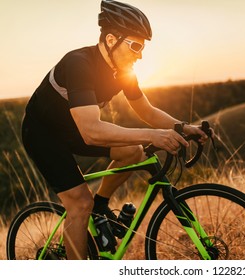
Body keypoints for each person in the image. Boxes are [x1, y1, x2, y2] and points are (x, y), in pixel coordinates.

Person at [21, 0, 209, 260]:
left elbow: (147, 111)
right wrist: (153, 135)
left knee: (133, 151)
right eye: (135, 45)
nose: (140, 54)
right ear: (111, 39)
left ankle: (100, 206)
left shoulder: (124, 72)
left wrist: (183, 126)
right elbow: (91, 131)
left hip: (75, 128)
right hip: (44, 133)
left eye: (142, 47)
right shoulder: (79, 63)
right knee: (79, 203)